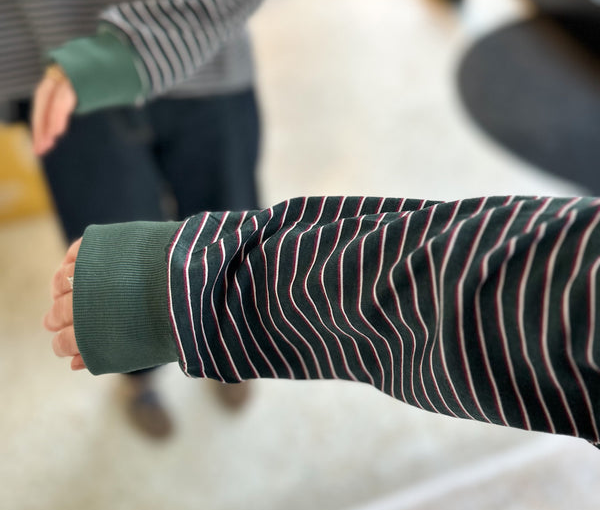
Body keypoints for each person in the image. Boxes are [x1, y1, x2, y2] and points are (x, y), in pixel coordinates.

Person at [0, 0, 329, 436]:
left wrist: (150, 41)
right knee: (108, 264)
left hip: (205, 61)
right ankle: (141, 375)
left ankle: (226, 352)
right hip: (55, 81)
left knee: (230, 237)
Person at [45, 193, 600, 447]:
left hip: (212, 74)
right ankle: (144, 382)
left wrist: (193, 294)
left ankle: (216, 361)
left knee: (221, 186)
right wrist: (187, 291)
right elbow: (555, 290)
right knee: (112, 192)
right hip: (76, 64)